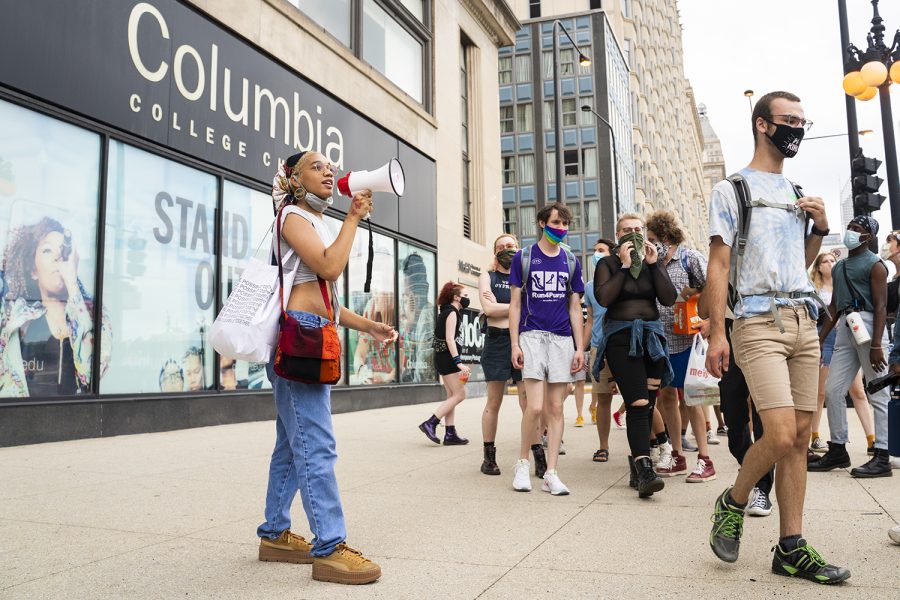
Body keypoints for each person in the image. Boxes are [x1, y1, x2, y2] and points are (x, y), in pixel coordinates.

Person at [705, 91, 849, 583]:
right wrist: (715, 332)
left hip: (802, 319)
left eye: (804, 122)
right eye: (790, 120)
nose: (799, 129)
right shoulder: (733, 190)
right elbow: (719, 265)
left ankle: (790, 545)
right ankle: (734, 499)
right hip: (756, 321)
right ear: (763, 124)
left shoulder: (796, 191)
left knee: (802, 438)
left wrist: (821, 228)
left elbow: (799, 263)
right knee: (781, 432)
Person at [258, 151, 396, 585]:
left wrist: (368, 325)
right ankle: (329, 546)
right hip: (299, 340)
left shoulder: (315, 222)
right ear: (293, 179)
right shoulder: (292, 216)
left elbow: (327, 297)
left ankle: (275, 534)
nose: (328, 171)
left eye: (329, 166)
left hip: (313, 334)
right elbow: (331, 266)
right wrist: (354, 218)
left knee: (290, 445)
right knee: (317, 446)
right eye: (316, 166)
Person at [594, 213, 677, 498]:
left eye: (637, 229)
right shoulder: (607, 264)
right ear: (618, 236)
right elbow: (604, 298)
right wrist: (625, 266)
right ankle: (644, 466)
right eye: (626, 230)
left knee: (649, 401)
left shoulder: (654, 262)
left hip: (652, 338)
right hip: (621, 339)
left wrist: (654, 266)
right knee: (637, 401)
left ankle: (637, 464)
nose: (633, 234)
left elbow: (668, 298)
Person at [509, 202, 585, 495]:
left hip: (562, 339)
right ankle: (522, 464)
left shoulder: (570, 260)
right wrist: (514, 342)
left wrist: (579, 348)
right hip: (532, 336)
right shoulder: (524, 257)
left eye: (565, 224)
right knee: (535, 406)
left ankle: (551, 472)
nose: (561, 229)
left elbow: (575, 307)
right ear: (542, 223)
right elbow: (515, 304)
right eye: (556, 223)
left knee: (555, 408)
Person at [808, 216, 891, 478]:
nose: (851, 232)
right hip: (845, 325)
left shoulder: (875, 265)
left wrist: (877, 344)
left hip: (869, 325)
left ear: (869, 236)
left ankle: (882, 455)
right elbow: (833, 307)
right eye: (851, 227)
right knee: (832, 390)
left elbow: (880, 306)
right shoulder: (841, 266)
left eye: (858, 229)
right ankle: (838, 449)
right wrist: (820, 339)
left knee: (877, 391)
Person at [0, 217, 111, 396]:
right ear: (33, 271)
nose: (57, 257)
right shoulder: (15, 319)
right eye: (47, 250)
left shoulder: (95, 316)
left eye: (62, 251)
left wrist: (73, 286)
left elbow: (91, 375)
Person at [645, 210, 715, 482]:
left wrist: (708, 321)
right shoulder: (652, 263)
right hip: (661, 342)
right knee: (668, 399)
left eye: (652, 238)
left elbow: (715, 285)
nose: (649, 243)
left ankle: (705, 459)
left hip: (688, 341)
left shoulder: (689, 258)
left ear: (665, 236)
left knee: (693, 399)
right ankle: (676, 455)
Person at [478, 234, 538, 476]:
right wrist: (519, 306)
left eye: (510, 246)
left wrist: (506, 308)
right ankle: (488, 457)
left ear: (518, 249)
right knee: (494, 401)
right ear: (495, 252)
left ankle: (539, 457)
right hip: (496, 343)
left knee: (529, 404)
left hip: (523, 343)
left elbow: (535, 306)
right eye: (501, 247)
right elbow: (488, 309)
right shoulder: (487, 276)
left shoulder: (525, 278)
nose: (506, 249)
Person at [808, 252, 873, 455]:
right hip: (825, 340)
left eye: (832, 260)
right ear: (818, 267)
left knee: (858, 391)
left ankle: (872, 439)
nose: (830, 264)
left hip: (847, 338)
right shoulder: (813, 289)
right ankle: (815, 436)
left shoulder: (845, 284)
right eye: (825, 261)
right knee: (822, 393)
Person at [418, 282, 472, 446]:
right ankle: (431, 422)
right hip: (448, 359)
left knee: (452, 395)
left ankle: (450, 433)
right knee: (460, 394)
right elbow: (449, 339)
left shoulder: (448, 312)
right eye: (466, 296)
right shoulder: (451, 313)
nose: (467, 299)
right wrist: (459, 362)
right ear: (457, 297)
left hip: (443, 358)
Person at [585, 237, 619, 462]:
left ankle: (652, 444)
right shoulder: (589, 287)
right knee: (604, 400)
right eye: (595, 251)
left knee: (639, 399)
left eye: (601, 250)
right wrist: (582, 349)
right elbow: (590, 321)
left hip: (623, 346)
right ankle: (603, 447)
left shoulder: (621, 279)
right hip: (599, 348)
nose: (596, 254)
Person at [399, 252, 436, 383]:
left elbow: (423, 374)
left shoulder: (426, 317)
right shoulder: (418, 318)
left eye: (405, 299)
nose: (402, 310)